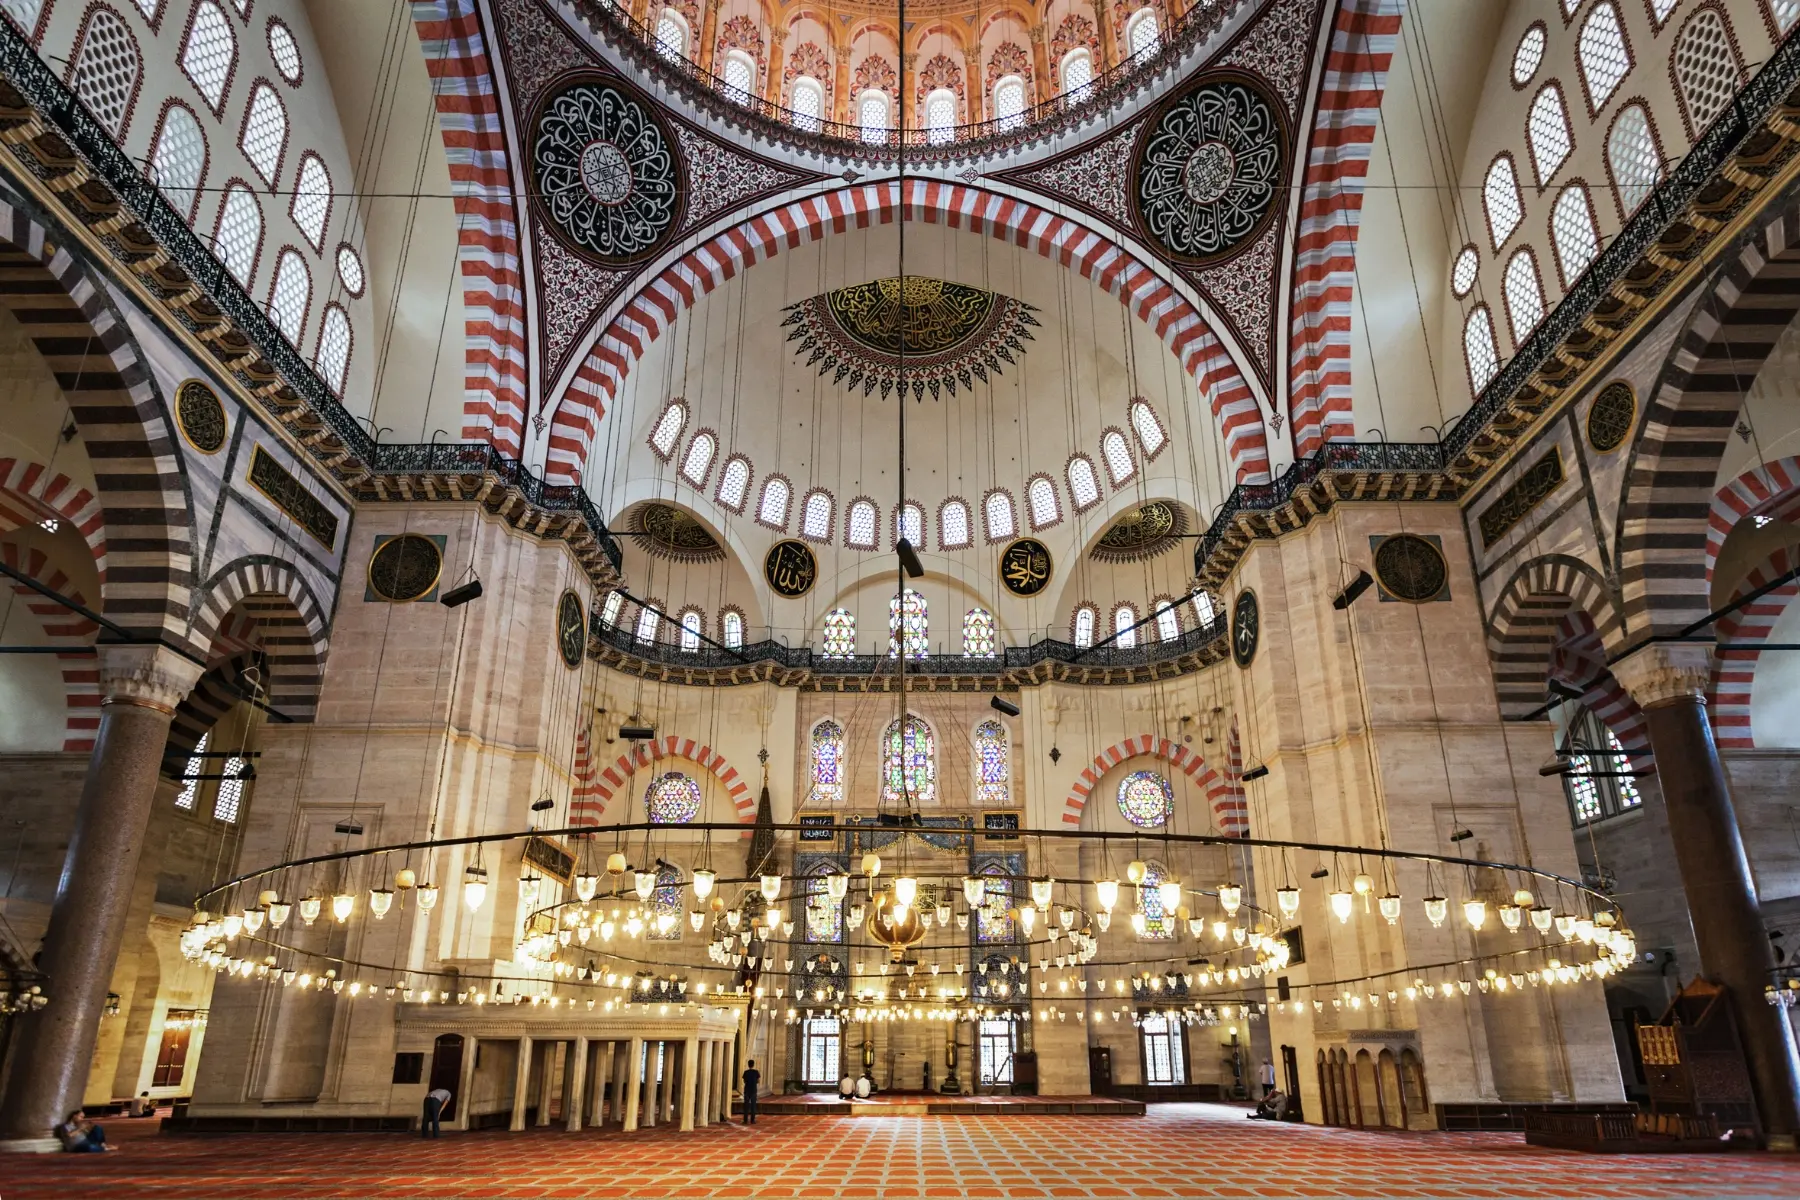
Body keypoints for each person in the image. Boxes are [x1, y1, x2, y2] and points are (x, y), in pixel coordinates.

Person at [741, 1059, 760, 1125]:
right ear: (753, 1064)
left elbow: (744, 1081)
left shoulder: (746, 1072)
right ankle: (752, 1120)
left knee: (746, 1106)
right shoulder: (756, 1072)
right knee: (753, 1106)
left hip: (747, 1090)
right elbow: (758, 1081)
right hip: (753, 1090)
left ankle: (745, 1120)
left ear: (748, 1064)